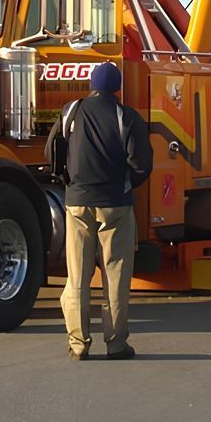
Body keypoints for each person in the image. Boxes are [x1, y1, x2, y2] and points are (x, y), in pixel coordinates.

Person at [48, 63, 151, 361]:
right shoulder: (127, 116)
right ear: (117, 87)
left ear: (91, 84)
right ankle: (116, 344)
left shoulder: (71, 111)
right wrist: (125, 185)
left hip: (77, 203)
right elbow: (142, 164)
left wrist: (69, 181)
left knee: (78, 275)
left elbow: (51, 152)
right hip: (116, 205)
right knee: (116, 275)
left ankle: (78, 344)